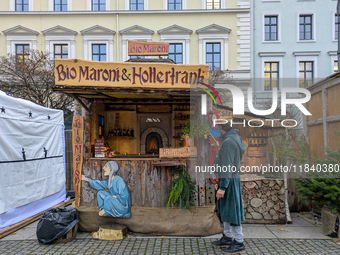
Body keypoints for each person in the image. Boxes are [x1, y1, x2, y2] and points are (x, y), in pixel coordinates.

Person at [211, 120, 246, 254]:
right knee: (226, 209)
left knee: (233, 211)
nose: (217, 130)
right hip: (230, 178)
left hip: (229, 180)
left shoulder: (229, 142)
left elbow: (227, 167)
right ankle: (227, 237)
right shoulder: (234, 138)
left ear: (222, 127)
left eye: (218, 127)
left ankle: (238, 242)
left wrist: (223, 187)